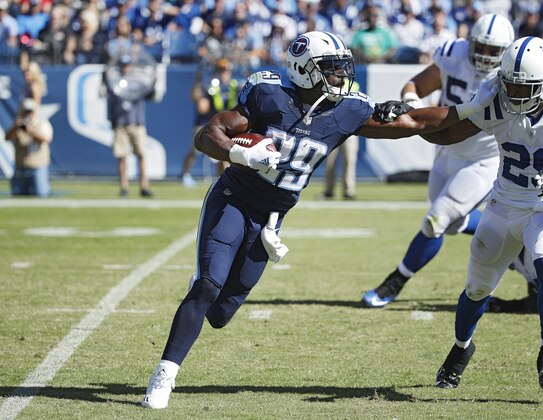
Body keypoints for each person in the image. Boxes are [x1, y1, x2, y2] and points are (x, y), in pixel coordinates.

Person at [140, 30, 499, 409]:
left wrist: (476, 109)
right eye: (331, 69)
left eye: (342, 69)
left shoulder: (347, 109)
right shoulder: (268, 94)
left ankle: (206, 285)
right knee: (208, 287)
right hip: (233, 200)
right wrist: (240, 154)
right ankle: (164, 375)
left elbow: (419, 126)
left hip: (271, 220)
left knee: (221, 313)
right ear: (304, 69)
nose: (340, 77)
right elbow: (207, 135)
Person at [393, 36, 543, 389]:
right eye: (511, 85)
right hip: (504, 202)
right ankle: (461, 350)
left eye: (526, 88)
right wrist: (411, 120)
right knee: (477, 289)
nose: (517, 94)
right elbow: (448, 134)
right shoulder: (494, 97)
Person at [362, 14, 515, 307]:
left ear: (505, 53)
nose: (484, 55)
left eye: (492, 50)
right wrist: (415, 105)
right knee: (453, 224)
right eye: (480, 47)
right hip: (446, 154)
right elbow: (414, 85)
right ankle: (512, 237)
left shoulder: (506, 79)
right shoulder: (453, 54)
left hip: (482, 160)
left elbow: (451, 131)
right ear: (469, 43)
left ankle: (394, 282)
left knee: (436, 221)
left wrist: (420, 123)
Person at [180, 58, 238, 187]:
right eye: (221, 70)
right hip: (206, 122)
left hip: (224, 125)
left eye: (226, 70)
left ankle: (222, 180)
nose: (224, 73)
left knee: (224, 154)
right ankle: (184, 174)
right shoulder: (209, 85)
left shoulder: (234, 85)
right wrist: (198, 86)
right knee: (194, 150)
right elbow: (200, 105)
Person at [105, 54, 154, 198]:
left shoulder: (137, 83)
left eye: (127, 65)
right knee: (122, 156)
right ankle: (124, 187)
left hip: (136, 122)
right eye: (123, 65)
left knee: (141, 155)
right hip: (121, 123)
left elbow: (149, 91)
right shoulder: (115, 82)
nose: (125, 68)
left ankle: (144, 186)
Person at [5, 98, 54, 197]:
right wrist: (15, 127)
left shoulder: (41, 123)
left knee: (41, 194)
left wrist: (30, 131)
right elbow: (7, 137)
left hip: (37, 166)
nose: (28, 114)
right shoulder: (17, 126)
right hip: (20, 167)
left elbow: (46, 139)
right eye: (25, 111)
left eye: (30, 111)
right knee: (18, 195)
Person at [321, 79, 361, 200]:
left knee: (349, 159)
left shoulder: (353, 85)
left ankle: (349, 190)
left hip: (350, 127)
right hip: (332, 127)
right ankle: (328, 190)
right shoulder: (328, 83)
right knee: (329, 161)